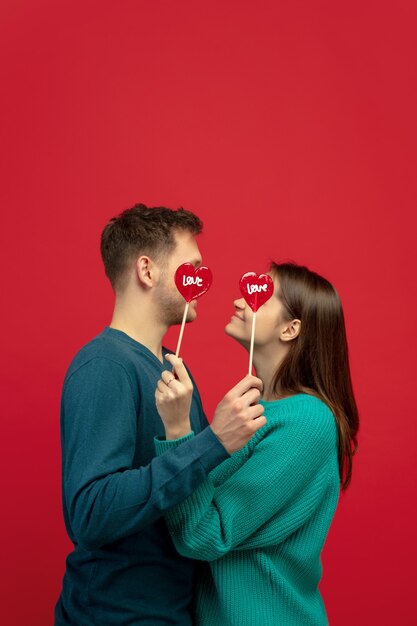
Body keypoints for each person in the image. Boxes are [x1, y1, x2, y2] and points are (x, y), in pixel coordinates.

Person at [54, 204, 266, 626]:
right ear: (147, 271)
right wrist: (212, 441)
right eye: (192, 268)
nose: (202, 282)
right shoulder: (106, 365)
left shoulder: (174, 368)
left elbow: (196, 493)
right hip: (113, 616)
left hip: (173, 613)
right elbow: (89, 514)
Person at [155, 262, 359, 626]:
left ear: (290, 328)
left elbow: (204, 534)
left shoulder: (307, 422)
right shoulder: (253, 411)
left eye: (260, 298)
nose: (238, 301)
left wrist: (178, 429)